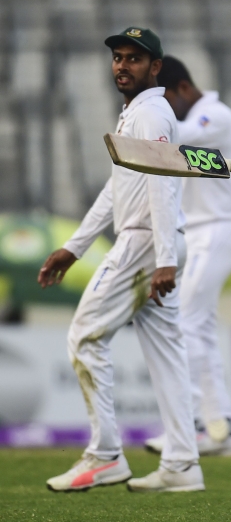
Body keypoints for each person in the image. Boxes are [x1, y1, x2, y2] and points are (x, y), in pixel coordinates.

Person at [38, 27, 203, 493]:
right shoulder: (137, 112)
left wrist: (165, 257)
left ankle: (106, 454)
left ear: (156, 68)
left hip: (147, 243)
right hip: (155, 242)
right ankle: (182, 464)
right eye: (118, 58)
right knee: (168, 354)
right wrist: (76, 246)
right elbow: (119, 188)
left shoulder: (151, 115)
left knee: (84, 337)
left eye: (134, 59)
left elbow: (161, 185)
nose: (122, 66)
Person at [144, 56, 231, 458]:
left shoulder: (214, 115)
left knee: (187, 324)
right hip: (199, 234)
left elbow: (176, 135)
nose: (165, 113)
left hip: (215, 231)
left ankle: (190, 426)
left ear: (183, 89)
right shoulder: (197, 116)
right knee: (199, 330)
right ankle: (226, 430)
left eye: (167, 102)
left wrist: (146, 117)